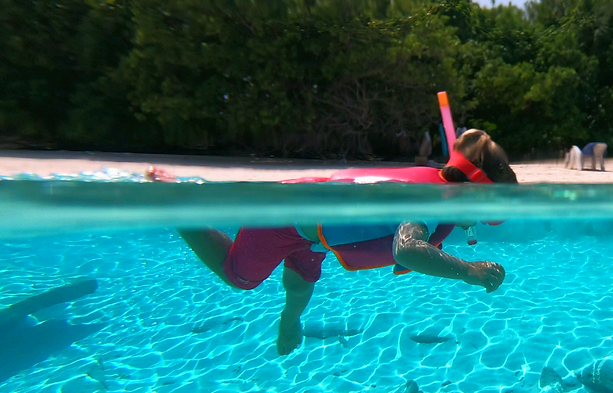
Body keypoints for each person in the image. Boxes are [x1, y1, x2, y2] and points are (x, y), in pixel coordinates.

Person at [147, 130, 517, 356]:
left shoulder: (439, 194)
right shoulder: (427, 202)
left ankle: (288, 324)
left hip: (313, 240)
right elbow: (406, 249)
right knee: (239, 276)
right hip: (285, 218)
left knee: (299, 285)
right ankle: (177, 203)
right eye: (484, 211)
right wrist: (467, 270)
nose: (478, 223)